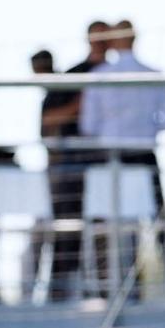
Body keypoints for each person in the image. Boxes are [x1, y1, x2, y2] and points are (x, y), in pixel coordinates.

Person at [79, 21, 165, 294]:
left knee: (109, 226)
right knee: (158, 224)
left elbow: (89, 126)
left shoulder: (99, 76)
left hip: (111, 158)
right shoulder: (154, 74)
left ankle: (110, 290)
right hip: (144, 155)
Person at [36, 25, 111, 301]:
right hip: (72, 168)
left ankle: (104, 292)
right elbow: (49, 120)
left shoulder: (120, 74)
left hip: (107, 166)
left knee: (107, 234)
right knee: (68, 231)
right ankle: (60, 292)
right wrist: (78, 107)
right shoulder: (74, 75)